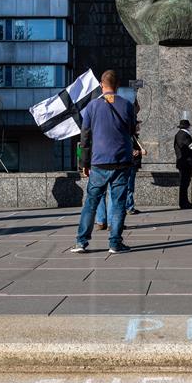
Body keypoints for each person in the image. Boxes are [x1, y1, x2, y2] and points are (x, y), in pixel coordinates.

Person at [71, 70, 136, 254]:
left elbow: (85, 136)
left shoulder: (92, 107)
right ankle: (115, 243)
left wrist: (84, 163)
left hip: (99, 162)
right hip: (122, 161)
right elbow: (131, 129)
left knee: (91, 202)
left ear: (102, 84)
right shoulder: (127, 105)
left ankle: (81, 242)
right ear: (117, 85)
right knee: (118, 203)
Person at [174, 119, 192, 209]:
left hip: (182, 162)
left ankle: (185, 202)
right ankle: (184, 203)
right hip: (186, 162)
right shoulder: (185, 135)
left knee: (184, 183)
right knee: (184, 183)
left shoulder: (178, 134)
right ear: (188, 127)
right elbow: (191, 147)